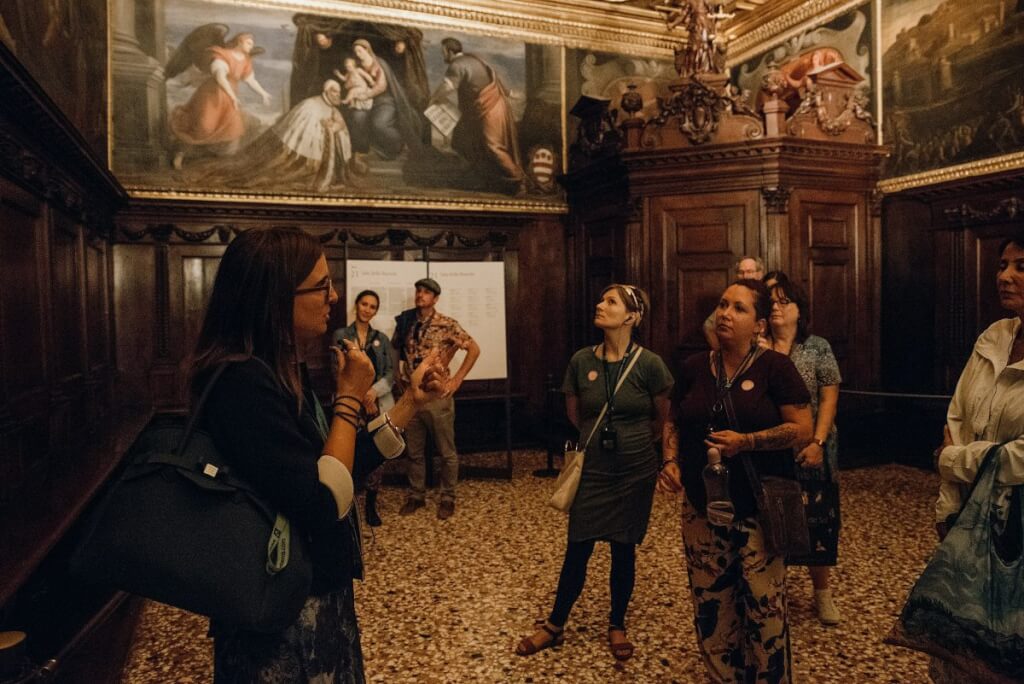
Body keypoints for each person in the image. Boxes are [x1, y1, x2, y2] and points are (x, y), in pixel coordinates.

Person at [189, 227, 447, 682]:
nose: (333, 296)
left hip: (311, 584)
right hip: (279, 600)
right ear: (275, 296)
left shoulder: (281, 366)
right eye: (321, 286)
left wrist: (409, 401)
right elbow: (322, 501)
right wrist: (349, 398)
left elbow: (338, 466)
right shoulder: (241, 381)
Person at [660, 278, 812, 684]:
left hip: (758, 505)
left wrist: (747, 442)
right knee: (712, 604)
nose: (725, 313)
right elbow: (674, 419)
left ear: (760, 324)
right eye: (723, 304)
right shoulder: (695, 367)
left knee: (764, 607)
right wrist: (671, 461)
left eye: (739, 308)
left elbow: (801, 428)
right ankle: (723, 677)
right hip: (703, 506)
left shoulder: (776, 368)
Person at [515, 284, 673, 662]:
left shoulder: (650, 364)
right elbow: (576, 414)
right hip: (594, 470)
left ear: (632, 317)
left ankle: (617, 623)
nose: (600, 305)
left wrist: (646, 448)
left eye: (611, 302)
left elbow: (662, 419)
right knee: (578, 546)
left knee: (623, 550)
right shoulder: (582, 360)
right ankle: (554, 625)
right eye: (601, 299)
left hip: (635, 470)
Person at [930, 232, 1024, 683]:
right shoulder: (995, 336)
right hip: (970, 523)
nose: (1004, 276)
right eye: (1003, 264)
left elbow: (1019, 458)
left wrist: (953, 461)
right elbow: (956, 420)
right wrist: (949, 511)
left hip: (1017, 532)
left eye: (1021, 266)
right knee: (958, 652)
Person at [763, 274, 843, 625]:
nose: (777, 308)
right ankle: (771, 590)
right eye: (772, 302)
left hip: (811, 444)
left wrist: (817, 442)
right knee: (771, 518)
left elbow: (828, 395)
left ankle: (822, 594)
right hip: (768, 445)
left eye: (785, 302)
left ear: (800, 310)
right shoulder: (758, 345)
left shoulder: (817, 347)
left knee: (818, 521)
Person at [394, 277, 480, 520]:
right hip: (412, 397)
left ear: (435, 298)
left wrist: (457, 379)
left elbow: (474, 349)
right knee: (414, 451)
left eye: (426, 292)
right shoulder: (408, 323)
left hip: (436, 397)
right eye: (418, 290)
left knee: (446, 452)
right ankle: (416, 495)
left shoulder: (447, 324)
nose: (420, 295)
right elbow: (400, 353)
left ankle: (447, 497)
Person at [208, 79, 352, 193]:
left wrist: (335, 127)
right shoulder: (309, 105)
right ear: (326, 91)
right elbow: (301, 132)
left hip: (319, 155)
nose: (338, 95)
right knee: (273, 170)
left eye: (339, 93)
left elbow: (342, 130)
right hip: (298, 154)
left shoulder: (335, 110)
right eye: (335, 92)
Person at [428, 37, 527, 195]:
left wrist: (433, 99)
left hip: (490, 108)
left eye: (443, 52)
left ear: (450, 51)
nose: (443, 56)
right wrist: (509, 93)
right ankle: (480, 177)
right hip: (485, 108)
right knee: (461, 140)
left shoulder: (457, 64)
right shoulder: (474, 59)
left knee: (493, 146)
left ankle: (519, 180)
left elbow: (447, 87)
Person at [334, 290, 395, 527]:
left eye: (372, 306)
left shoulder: (382, 338)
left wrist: (372, 392)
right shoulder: (341, 335)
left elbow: (390, 374)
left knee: (375, 451)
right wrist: (359, 395)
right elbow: (337, 369)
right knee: (349, 451)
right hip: (351, 402)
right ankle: (346, 502)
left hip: (376, 404)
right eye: (364, 304)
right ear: (356, 306)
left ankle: (371, 503)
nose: (367, 309)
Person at [170, 32, 272, 170]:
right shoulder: (222, 55)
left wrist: (263, 93)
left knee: (232, 128)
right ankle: (180, 154)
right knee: (203, 127)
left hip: (230, 97)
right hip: (212, 95)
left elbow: (250, 80)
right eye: (249, 43)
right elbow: (220, 78)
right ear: (240, 41)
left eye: (252, 44)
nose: (251, 46)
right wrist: (233, 96)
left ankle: (222, 162)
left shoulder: (246, 60)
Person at [345, 38, 423, 162]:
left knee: (379, 124)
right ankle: (363, 149)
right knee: (357, 117)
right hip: (366, 102)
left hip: (385, 100)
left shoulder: (379, 63)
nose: (358, 54)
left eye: (360, 51)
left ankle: (398, 144)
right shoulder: (358, 66)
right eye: (356, 52)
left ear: (367, 49)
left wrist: (366, 94)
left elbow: (381, 86)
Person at [702, 255, 765, 350]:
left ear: (759, 274)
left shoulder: (767, 294)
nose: (745, 276)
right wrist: (720, 352)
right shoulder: (732, 295)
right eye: (741, 272)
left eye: (749, 272)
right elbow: (708, 326)